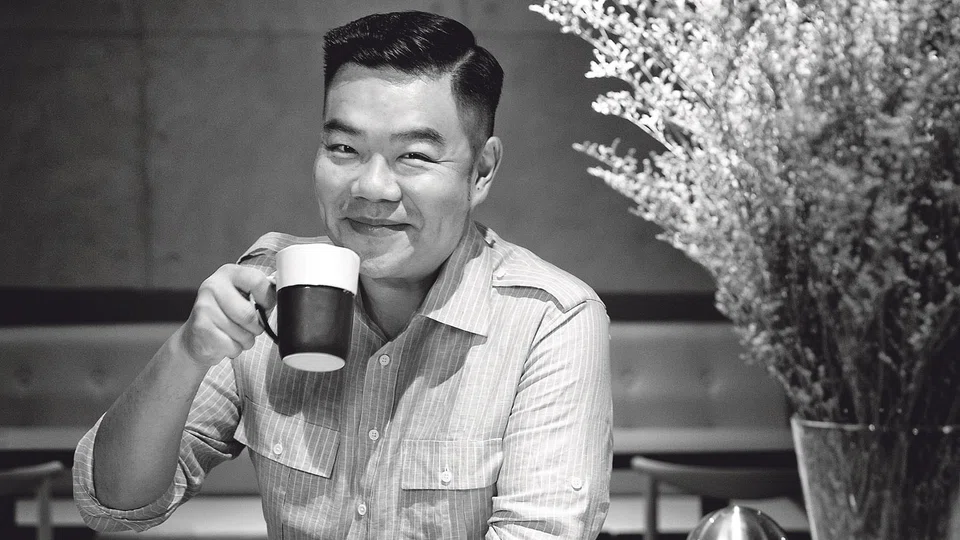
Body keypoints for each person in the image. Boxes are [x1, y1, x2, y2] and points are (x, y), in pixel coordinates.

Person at [73, 10, 612, 539]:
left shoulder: (549, 320)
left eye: (414, 156)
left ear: (482, 170)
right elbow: (115, 505)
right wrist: (185, 353)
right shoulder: (269, 285)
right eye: (344, 149)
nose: (371, 187)